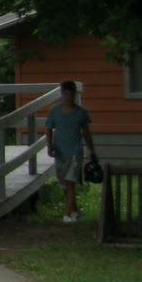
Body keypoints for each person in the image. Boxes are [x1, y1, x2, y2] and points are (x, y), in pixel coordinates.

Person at [43, 79, 97, 224]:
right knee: (64, 184)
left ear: (75, 94)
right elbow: (48, 129)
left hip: (75, 151)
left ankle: (67, 214)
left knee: (70, 181)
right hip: (60, 151)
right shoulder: (54, 111)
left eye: (71, 94)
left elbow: (86, 133)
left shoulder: (81, 113)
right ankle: (75, 210)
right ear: (62, 94)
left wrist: (91, 151)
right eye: (66, 93)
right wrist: (50, 146)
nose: (69, 97)